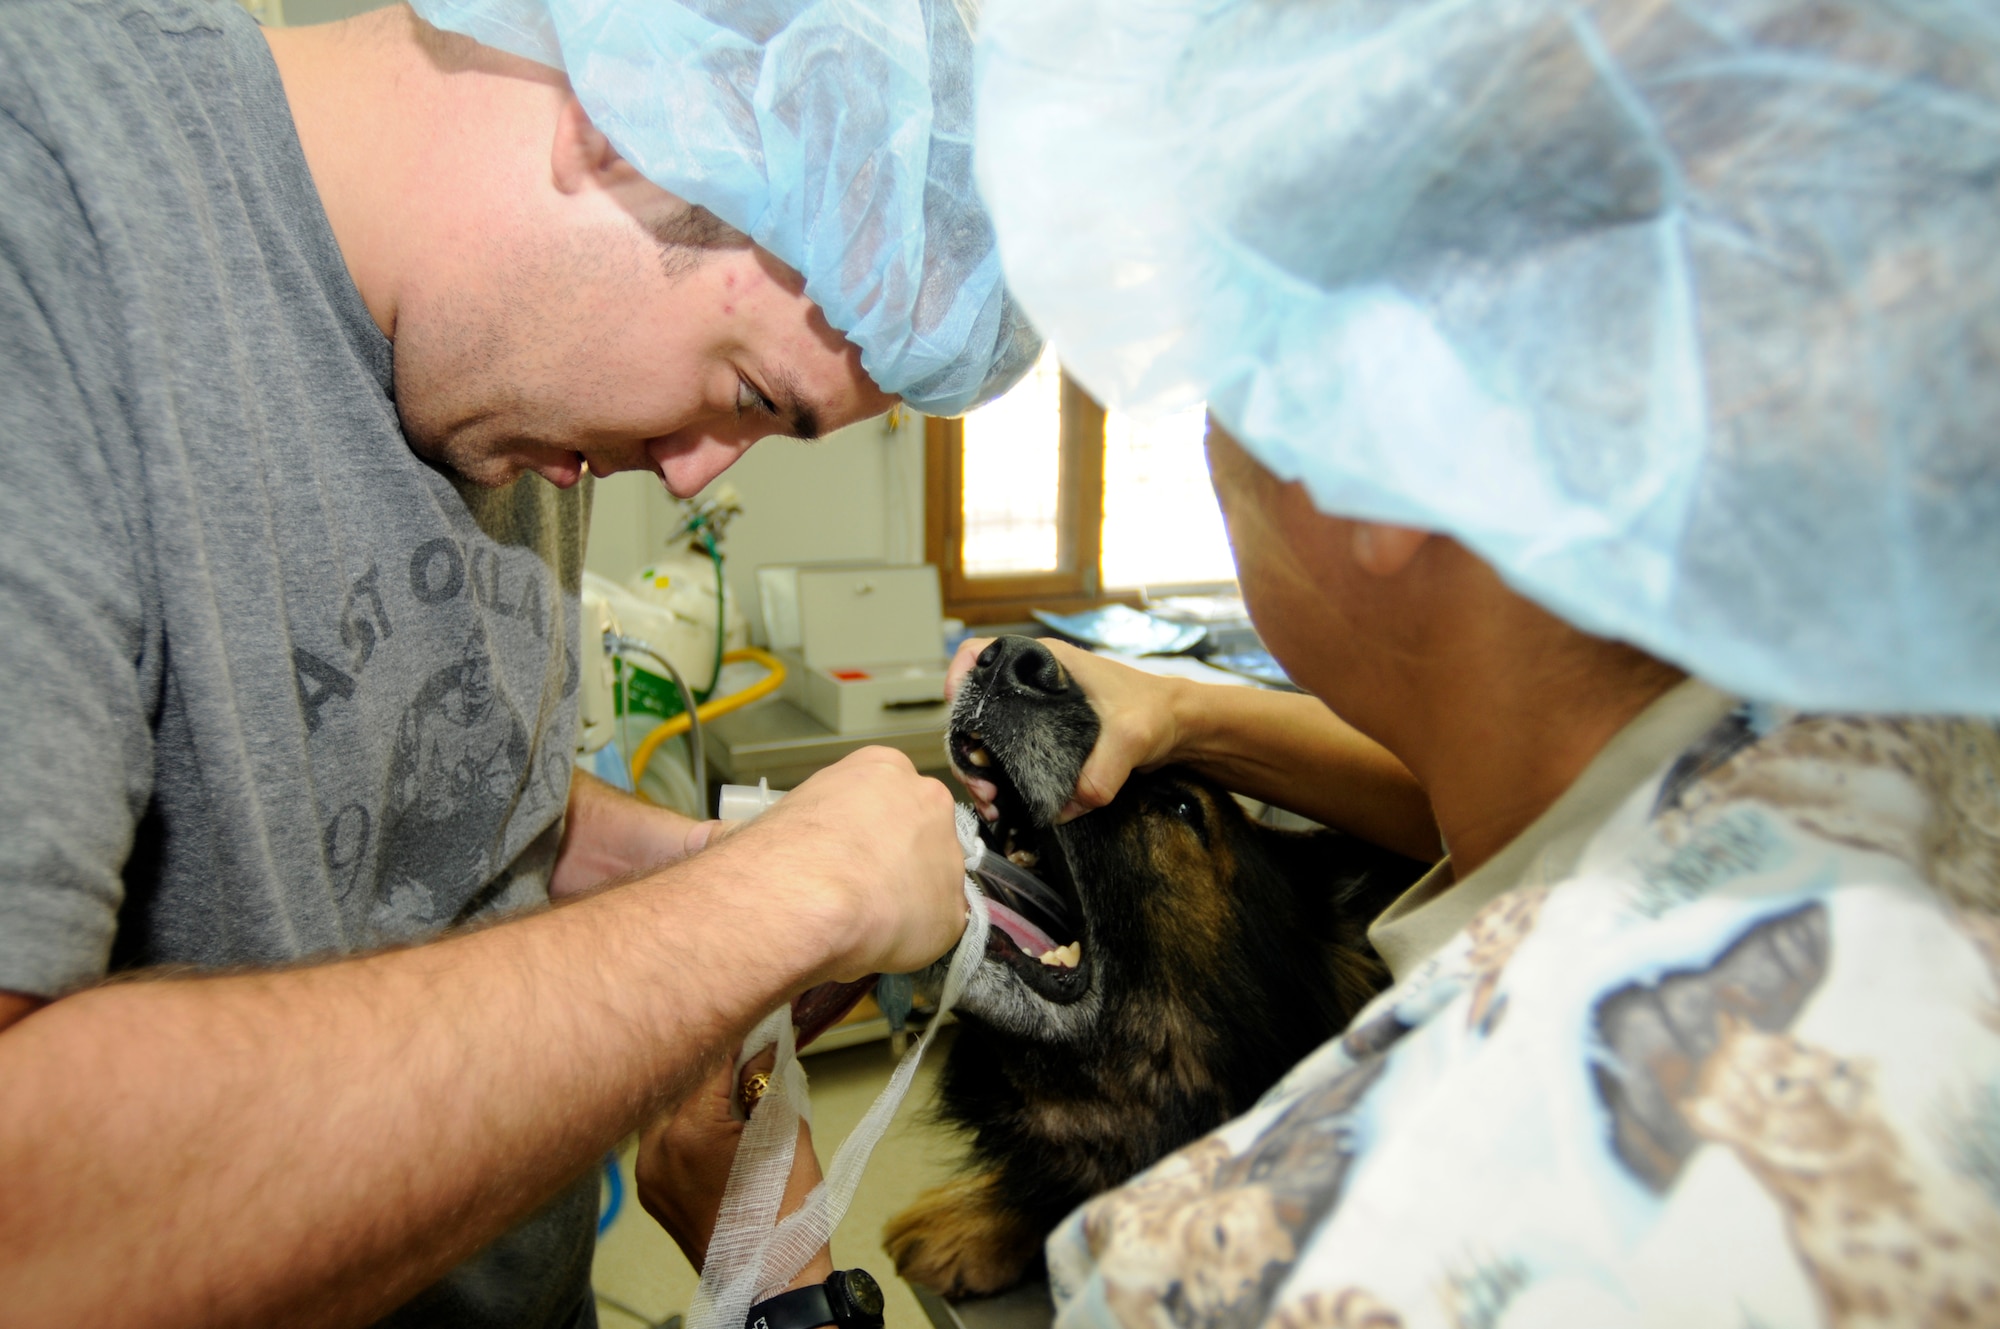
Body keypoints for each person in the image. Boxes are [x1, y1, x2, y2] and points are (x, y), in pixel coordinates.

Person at [947, 0, 2000, 1320]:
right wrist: (1188, 714)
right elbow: (1572, 809)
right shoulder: (1902, 730)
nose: (1212, 431)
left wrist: (769, 1258)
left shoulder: (1278, 1258)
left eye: (1233, 366)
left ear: (1382, 451)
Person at [0, 0, 1031, 1321]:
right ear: (622, 131)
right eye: (750, 394)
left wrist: (685, 866)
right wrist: (776, 903)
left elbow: (422, 794)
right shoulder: (50, 215)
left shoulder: (499, 358)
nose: (693, 467)